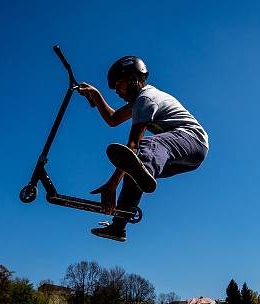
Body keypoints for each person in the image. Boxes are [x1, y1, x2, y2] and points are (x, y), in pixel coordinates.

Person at [76, 55, 209, 242]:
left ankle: (146, 168)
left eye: (118, 86)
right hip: (185, 157)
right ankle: (118, 227)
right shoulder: (137, 102)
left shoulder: (146, 99)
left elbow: (133, 145)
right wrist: (96, 95)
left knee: (144, 149)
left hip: (191, 140)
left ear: (132, 78)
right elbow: (113, 119)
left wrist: (112, 184)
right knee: (134, 172)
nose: (117, 92)